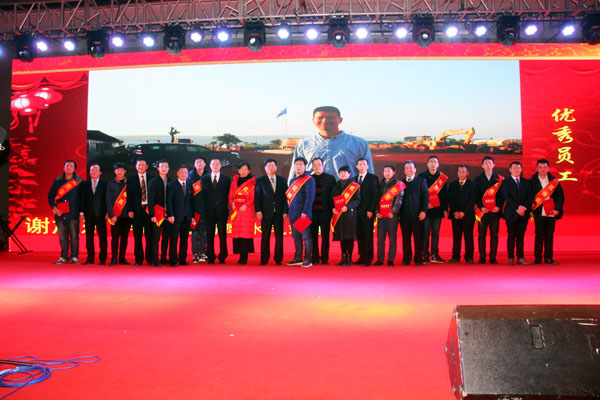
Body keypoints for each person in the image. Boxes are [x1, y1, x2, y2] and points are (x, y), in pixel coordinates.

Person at [289, 106, 374, 181]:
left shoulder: (359, 143)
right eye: (320, 117)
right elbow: (294, 173)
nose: (325, 120)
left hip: (347, 192)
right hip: (314, 192)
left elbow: (368, 175)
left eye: (330, 117)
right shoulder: (303, 145)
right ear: (313, 120)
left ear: (340, 120)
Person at [48, 159, 83, 264]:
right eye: (67, 166)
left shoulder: (79, 180)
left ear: (74, 168)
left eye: (71, 166)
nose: (69, 168)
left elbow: (83, 198)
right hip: (60, 213)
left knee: (74, 236)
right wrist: (55, 208)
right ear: (63, 168)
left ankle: (74, 256)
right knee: (62, 237)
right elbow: (51, 196)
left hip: (74, 212)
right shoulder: (58, 180)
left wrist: (82, 213)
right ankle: (63, 256)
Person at [530, 159, 564, 265]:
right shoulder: (532, 181)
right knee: (539, 235)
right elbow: (528, 197)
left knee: (549, 235)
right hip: (538, 212)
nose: (542, 169)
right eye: (540, 167)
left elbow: (560, 196)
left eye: (545, 167)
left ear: (548, 168)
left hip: (551, 212)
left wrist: (557, 209)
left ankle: (548, 257)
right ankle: (538, 258)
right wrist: (530, 210)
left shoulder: (554, 181)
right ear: (537, 168)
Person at [255, 159, 288, 266]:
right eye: (268, 166)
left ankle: (278, 259)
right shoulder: (260, 180)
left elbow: (286, 198)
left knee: (279, 237)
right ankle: (264, 259)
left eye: (272, 166)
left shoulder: (282, 180)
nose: (270, 168)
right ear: (265, 168)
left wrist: (285, 211)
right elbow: (257, 197)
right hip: (266, 213)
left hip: (279, 213)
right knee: (265, 237)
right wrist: (258, 210)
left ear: (276, 167)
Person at [474, 156, 505, 265]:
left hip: (495, 212)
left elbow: (502, 195)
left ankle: (493, 257)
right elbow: (476, 195)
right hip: (483, 212)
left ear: (493, 165)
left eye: (490, 163)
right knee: (481, 235)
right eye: (485, 163)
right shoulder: (478, 179)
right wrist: (481, 206)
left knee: (494, 236)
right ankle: (482, 257)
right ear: (482, 166)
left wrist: (499, 206)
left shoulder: (499, 179)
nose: (488, 165)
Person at [501, 161, 532, 266]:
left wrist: (524, 208)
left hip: (524, 213)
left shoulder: (526, 182)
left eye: (518, 168)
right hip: (511, 213)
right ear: (510, 170)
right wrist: (518, 208)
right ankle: (510, 258)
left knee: (521, 236)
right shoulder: (505, 182)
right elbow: (507, 197)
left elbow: (529, 197)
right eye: (514, 168)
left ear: (521, 169)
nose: (516, 170)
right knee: (511, 236)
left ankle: (520, 258)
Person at [286, 157, 315, 268]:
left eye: (301, 164)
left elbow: (310, 197)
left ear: (305, 167)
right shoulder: (292, 181)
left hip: (303, 214)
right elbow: (289, 198)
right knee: (296, 237)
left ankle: (308, 259)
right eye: (296, 164)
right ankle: (298, 258)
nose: (298, 167)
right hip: (293, 214)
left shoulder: (309, 179)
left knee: (306, 237)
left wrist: (305, 211)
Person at [418, 155, 449, 264]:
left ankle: (434, 254)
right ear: (427, 164)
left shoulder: (442, 178)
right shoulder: (421, 177)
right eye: (431, 162)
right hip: (425, 210)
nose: (433, 164)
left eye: (435, 162)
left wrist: (445, 209)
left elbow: (444, 195)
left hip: (438, 210)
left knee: (436, 233)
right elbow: (419, 194)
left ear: (438, 164)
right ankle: (425, 255)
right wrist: (424, 205)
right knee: (425, 233)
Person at [201, 158, 231, 264]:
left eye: (217, 164)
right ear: (209, 166)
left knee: (222, 235)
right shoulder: (204, 179)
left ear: (221, 165)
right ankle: (211, 256)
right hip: (209, 211)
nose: (215, 166)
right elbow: (203, 196)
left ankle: (223, 256)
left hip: (222, 211)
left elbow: (228, 195)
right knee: (210, 235)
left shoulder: (226, 179)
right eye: (213, 164)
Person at [398, 160, 429, 266]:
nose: (409, 170)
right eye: (407, 168)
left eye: (411, 167)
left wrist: (423, 211)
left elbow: (425, 197)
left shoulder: (421, 181)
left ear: (415, 170)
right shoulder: (400, 183)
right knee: (406, 238)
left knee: (418, 238)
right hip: (404, 216)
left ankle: (418, 258)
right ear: (404, 170)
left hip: (418, 215)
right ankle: (406, 258)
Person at [374, 165, 404, 266]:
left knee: (392, 239)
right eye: (385, 171)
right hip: (381, 216)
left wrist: (393, 212)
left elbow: (399, 200)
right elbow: (376, 199)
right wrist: (377, 211)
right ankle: (380, 259)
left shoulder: (398, 184)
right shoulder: (379, 184)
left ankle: (391, 259)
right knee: (380, 239)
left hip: (392, 216)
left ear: (393, 173)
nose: (386, 173)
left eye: (389, 171)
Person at [331, 166, 361, 267]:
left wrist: (348, 207)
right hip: (339, 216)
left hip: (350, 215)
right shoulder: (336, 186)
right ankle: (343, 257)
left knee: (349, 237)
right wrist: (333, 208)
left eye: (345, 172)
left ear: (349, 174)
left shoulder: (354, 186)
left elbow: (357, 200)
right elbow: (332, 199)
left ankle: (349, 258)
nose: (343, 174)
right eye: (341, 172)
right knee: (342, 237)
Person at [447, 165, 476, 264]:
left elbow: (472, 200)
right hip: (455, 215)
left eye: (463, 171)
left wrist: (464, 212)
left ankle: (469, 257)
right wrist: (455, 211)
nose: (461, 173)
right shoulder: (453, 184)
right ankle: (455, 256)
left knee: (469, 236)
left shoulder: (472, 184)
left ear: (467, 173)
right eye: (459, 171)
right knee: (456, 236)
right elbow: (450, 199)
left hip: (468, 215)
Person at [79, 163, 108, 265]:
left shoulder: (105, 184)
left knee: (102, 237)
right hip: (88, 215)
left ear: (100, 172)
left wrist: (108, 212)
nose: (94, 172)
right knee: (89, 238)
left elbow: (108, 199)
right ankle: (90, 258)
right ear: (89, 172)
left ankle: (103, 258)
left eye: (96, 170)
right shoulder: (84, 184)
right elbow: (81, 199)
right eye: (92, 170)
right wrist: (81, 213)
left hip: (101, 214)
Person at [127, 158, 154, 266]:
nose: (141, 167)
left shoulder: (152, 178)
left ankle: (149, 258)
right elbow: (128, 196)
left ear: (147, 166)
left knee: (149, 236)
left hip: (148, 211)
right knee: (137, 236)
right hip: (136, 211)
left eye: (143, 165)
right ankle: (138, 258)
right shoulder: (131, 179)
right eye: (139, 165)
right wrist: (130, 209)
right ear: (136, 166)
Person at [353, 158, 379, 266]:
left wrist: (371, 210)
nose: (362, 166)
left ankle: (368, 258)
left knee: (368, 235)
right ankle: (361, 256)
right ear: (357, 166)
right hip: (356, 213)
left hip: (368, 212)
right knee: (359, 235)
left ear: (368, 166)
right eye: (360, 164)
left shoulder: (373, 178)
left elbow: (375, 195)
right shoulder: (354, 179)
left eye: (364, 164)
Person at [229, 161, 256, 265]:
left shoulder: (252, 184)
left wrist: (246, 205)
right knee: (238, 234)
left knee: (245, 234)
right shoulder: (234, 183)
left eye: (246, 169)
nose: (244, 171)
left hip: (246, 212)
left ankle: (244, 257)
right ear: (238, 170)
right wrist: (232, 204)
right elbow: (230, 196)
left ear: (249, 171)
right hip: (236, 211)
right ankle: (239, 255)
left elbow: (252, 197)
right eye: (242, 169)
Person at [167, 165, 194, 266]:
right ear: (177, 173)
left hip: (186, 217)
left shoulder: (190, 184)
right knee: (174, 239)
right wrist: (170, 214)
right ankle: (173, 260)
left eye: (186, 172)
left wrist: (192, 216)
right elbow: (169, 201)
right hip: (175, 217)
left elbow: (191, 202)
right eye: (181, 172)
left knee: (184, 239)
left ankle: (182, 259)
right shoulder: (171, 185)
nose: (184, 174)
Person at [310, 157, 336, 265]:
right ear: (312, 167)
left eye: (319, 164)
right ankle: (315, 257)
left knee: (325, 236)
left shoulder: (330, 178)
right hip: (312, 213)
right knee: (313, 236)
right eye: (315, 165)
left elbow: (334, 195)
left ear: (323, 166)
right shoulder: (309, 179)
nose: (317, 167)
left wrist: (333, 209)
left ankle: (325, 258)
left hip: (325, 212)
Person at [106, 162, 132, 266]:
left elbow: (132, 199)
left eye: (122, 170)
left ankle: (122, 258)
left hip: (127, 216)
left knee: (124, 239)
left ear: (125, 171)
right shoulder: (110, 184)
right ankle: (114, 258)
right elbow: (108, 201)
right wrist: (111, 215)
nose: (120, 172)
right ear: (114, 171)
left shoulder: (129, 183)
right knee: (115, 238)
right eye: (117, 170)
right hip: (115, 216)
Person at [148, 159, 172, 266]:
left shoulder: (171, 181)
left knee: (166, 237)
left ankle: (163, 257)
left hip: (168, 214)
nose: (164, 169)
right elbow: (150, 199)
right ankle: (155, 259)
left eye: (166, 167)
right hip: (157, 214)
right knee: (156, 237)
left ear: (168, 168)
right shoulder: (153, 182)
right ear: (158, 168)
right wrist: (152, 215)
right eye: (162, 167)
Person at [189, 156, 210, 263]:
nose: (199, 164)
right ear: (194, 164)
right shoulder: (190, 177)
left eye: (201, 162)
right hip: (194, 209)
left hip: (206, 209)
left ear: (205, 164)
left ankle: (202, 252)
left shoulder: (209, 176)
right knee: (195, 233)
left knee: (204, 233)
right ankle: (195, 253)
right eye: (197, 162)